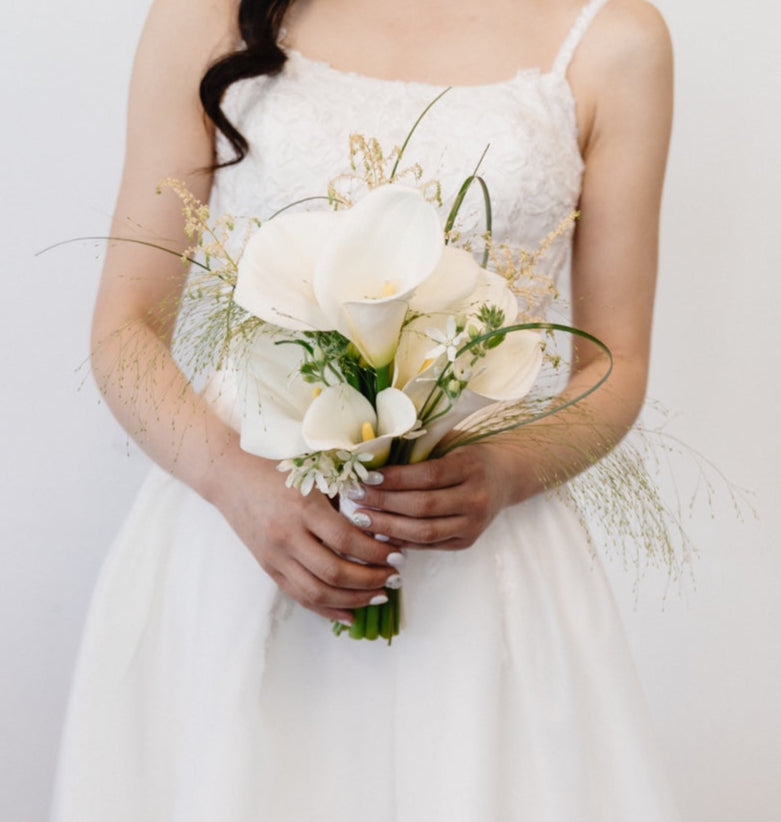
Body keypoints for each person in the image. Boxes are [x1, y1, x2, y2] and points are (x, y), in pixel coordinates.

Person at [51, 0, 678, 819]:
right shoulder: (206, 12)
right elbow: (125, 325)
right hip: (239, 534)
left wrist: (506, 468)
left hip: (476, 554)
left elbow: (614, 362)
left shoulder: (613, 38)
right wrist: (236, 484)